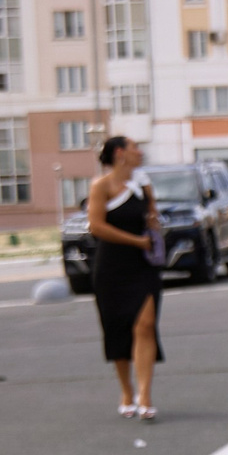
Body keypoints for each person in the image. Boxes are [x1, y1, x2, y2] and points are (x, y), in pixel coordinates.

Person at [85, 135, 162, 421]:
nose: (139, 152)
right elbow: (96, 226)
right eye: (134, 148)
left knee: (145, 324)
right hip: (112, 268)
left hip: (143, 265)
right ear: (120, 153)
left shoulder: (142, 184)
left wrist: (153, 218)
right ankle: (126, 390)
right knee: (118, 329)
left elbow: (151, 217)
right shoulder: (101, 186)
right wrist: (135, 241)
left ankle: (145, 394)